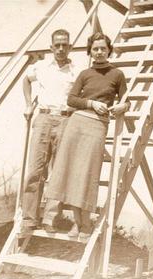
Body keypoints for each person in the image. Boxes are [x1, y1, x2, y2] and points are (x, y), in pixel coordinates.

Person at [44, 32, 130, 238]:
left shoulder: (117, 74)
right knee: (72, 171)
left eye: (103, 48)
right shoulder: (84, 73)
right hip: (77, 122)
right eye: (95, 49)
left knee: (88, 174)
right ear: (90, 52)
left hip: (98, 126)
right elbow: (71, 100)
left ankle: (85, 223)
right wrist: (91, 103)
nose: (99, 52)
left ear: (109, 50)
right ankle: (77, 222)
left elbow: (127, 101)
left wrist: (121, 107)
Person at [21, 29, 79, 233]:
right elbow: (26, 81)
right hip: (44, 118)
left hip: (65, 119)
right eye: (57, 45)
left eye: (65, 44)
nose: (61, 49)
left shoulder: (77, 69)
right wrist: (29, 105)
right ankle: (29, 218)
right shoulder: (41, 66)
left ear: (70, 46)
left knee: (58, 171)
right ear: (51, 47)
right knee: (36, 170)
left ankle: (50, 218)